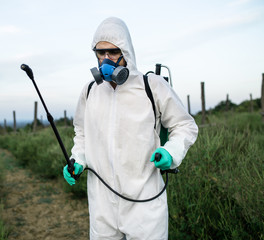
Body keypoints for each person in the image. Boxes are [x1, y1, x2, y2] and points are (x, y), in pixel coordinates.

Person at [63, 17, 198, 240]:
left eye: (113, 52)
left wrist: (171, 152)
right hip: (101, 205)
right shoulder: (89, 92)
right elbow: (82, 133)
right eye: (100, 53)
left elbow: (185, 125)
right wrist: (77, 159)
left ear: (126, 51)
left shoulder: (151, 86)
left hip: (145, 203)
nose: (106, 59)